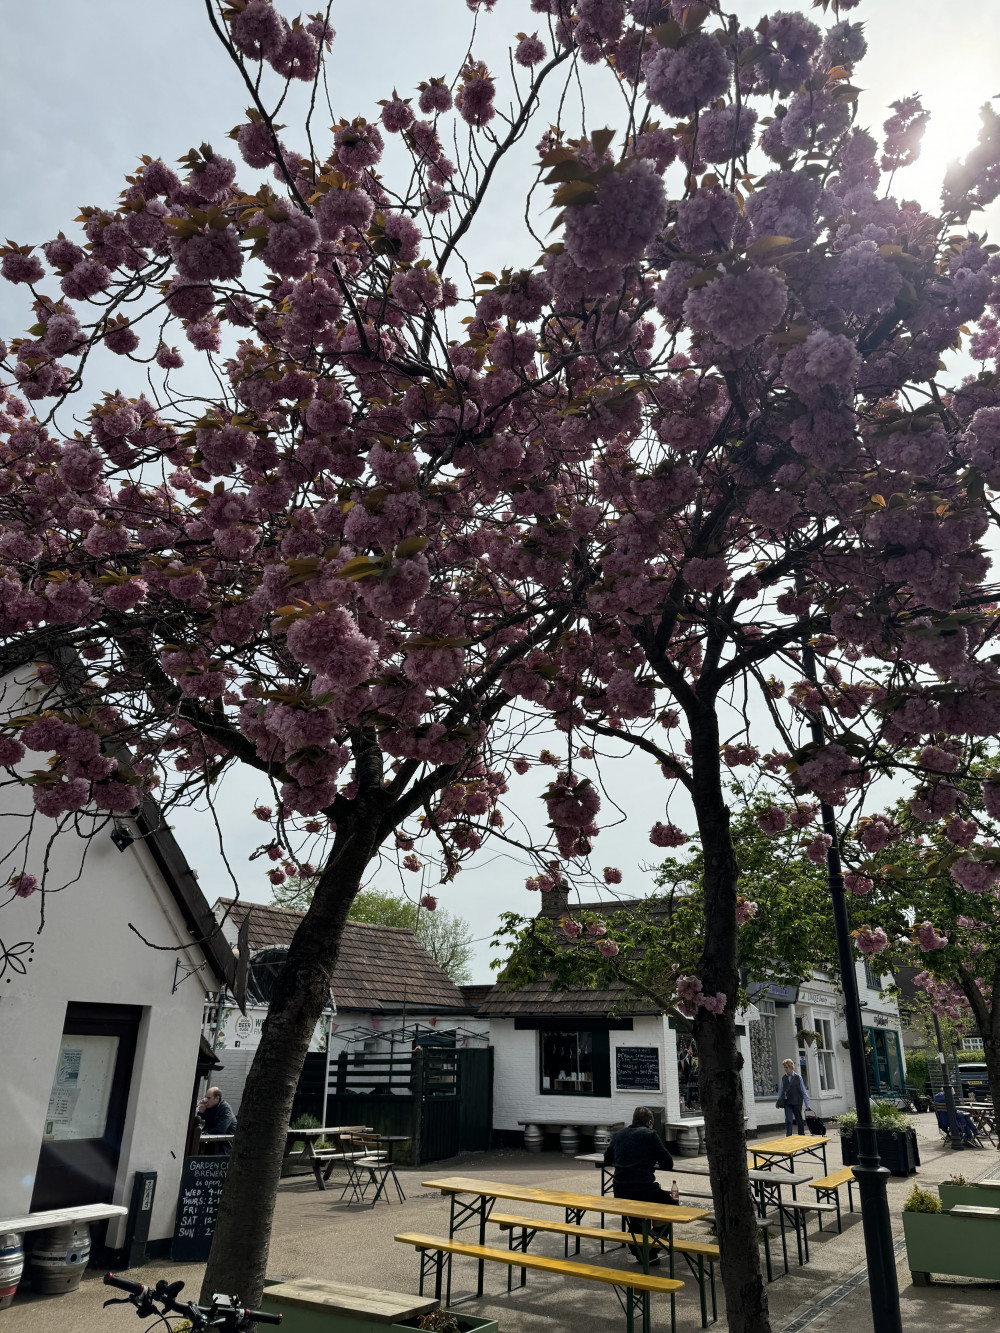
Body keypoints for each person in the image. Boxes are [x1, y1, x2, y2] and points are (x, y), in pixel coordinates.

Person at [603, 1106, 675, 1264]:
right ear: (649, 1122)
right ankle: (652, 1248)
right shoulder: (650, 1135)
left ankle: (639, 1250)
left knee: (636, 1217)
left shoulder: (619, 1135)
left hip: (620, 1190)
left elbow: (607, 1159)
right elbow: (668, 1163)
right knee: (671, 1205)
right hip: (644, 1189)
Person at [198, 1086, 237, 1153]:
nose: (206, 1100)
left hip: (224, 1147)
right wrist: (200, 1113)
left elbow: (221, 1129)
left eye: (209, 1098)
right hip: (211, 1145)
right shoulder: (209, 1107)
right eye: (205, 1097)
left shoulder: (225, 1109)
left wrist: (205, 1134)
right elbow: (201, 1122)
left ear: (217, 1098)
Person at [776, 1058, 810, 1135]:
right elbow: (781, 1090)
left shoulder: (798, 1077)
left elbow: (803, 1091)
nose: (785, 1069)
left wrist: (807, 1105)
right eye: (784, 1067)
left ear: (791, 1067)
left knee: (799, 1120)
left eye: (787, 1067)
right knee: (788, 1120)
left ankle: (801, 1136)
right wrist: (778, 1101)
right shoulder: (783, 1078)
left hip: (797, 1102)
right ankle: (789, 1137)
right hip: (787, 1102)